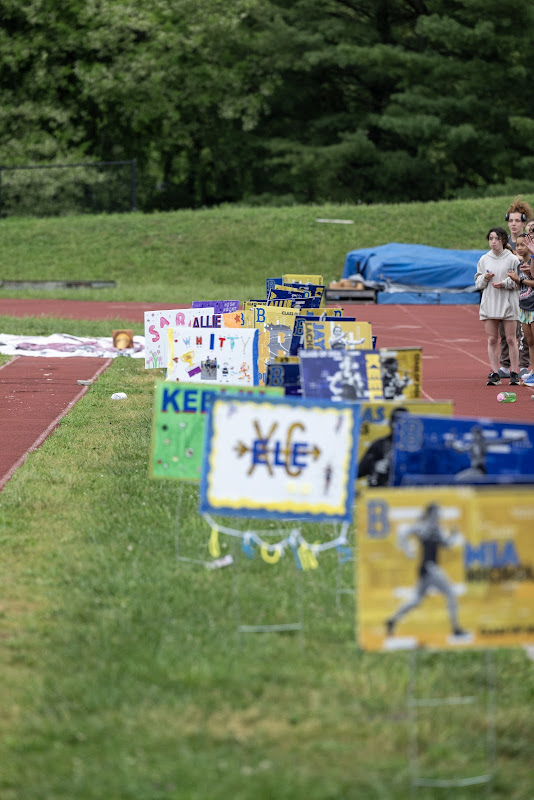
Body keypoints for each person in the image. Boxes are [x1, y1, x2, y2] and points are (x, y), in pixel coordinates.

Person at [385, 502, 467, 639]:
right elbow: (404, 534)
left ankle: (392, 619)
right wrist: (407, 549)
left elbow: (445, 545)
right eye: (436, 514)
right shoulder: (422, 526)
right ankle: (456, 628)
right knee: (450, 593)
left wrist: (453, 535)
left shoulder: (437, 529)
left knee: (416, 600)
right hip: (430, 567)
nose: (438, 516)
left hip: (428, 569)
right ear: (430, 514)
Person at [475, 227, 521, 386]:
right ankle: (495, 373)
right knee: (492, 339)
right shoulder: (484, 259)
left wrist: (505, 283)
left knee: (510, 338)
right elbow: (478, 283)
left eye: (496, 238)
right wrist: (485, 278)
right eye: (491, 239)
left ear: (503, 240)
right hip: (490, 301)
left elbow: (518, 282)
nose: (493, 242)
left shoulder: (512, 259)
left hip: (508, 302)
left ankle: (514, 372)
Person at [498, 198, 533, 378]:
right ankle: (505, 364)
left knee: (524, 331)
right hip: (506, 292)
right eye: (510, 220)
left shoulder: (528, 245)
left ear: (523, 222)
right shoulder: (502, 244)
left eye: (517, 220)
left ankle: (524, 365)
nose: (513, 224)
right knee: (505, 332)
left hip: (524, 293)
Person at [357, 406, 409, 486]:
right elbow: (359, 471)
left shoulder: (419, 448)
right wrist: (374, 466)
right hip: (383, 491)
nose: (399, 427)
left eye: (404, 423)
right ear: (390, 423)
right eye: (396, 422)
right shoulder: (380, 445)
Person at [507, 235, 534, 386]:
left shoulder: (532, 262)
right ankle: (533, 371)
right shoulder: (519, 265)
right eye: (517, 245)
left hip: (533, 306)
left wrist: (521, 279)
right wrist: (515, 279)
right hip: (524, 307)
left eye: (522, 245)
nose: (519, 248)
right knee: (530, 341)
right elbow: (520, 288)